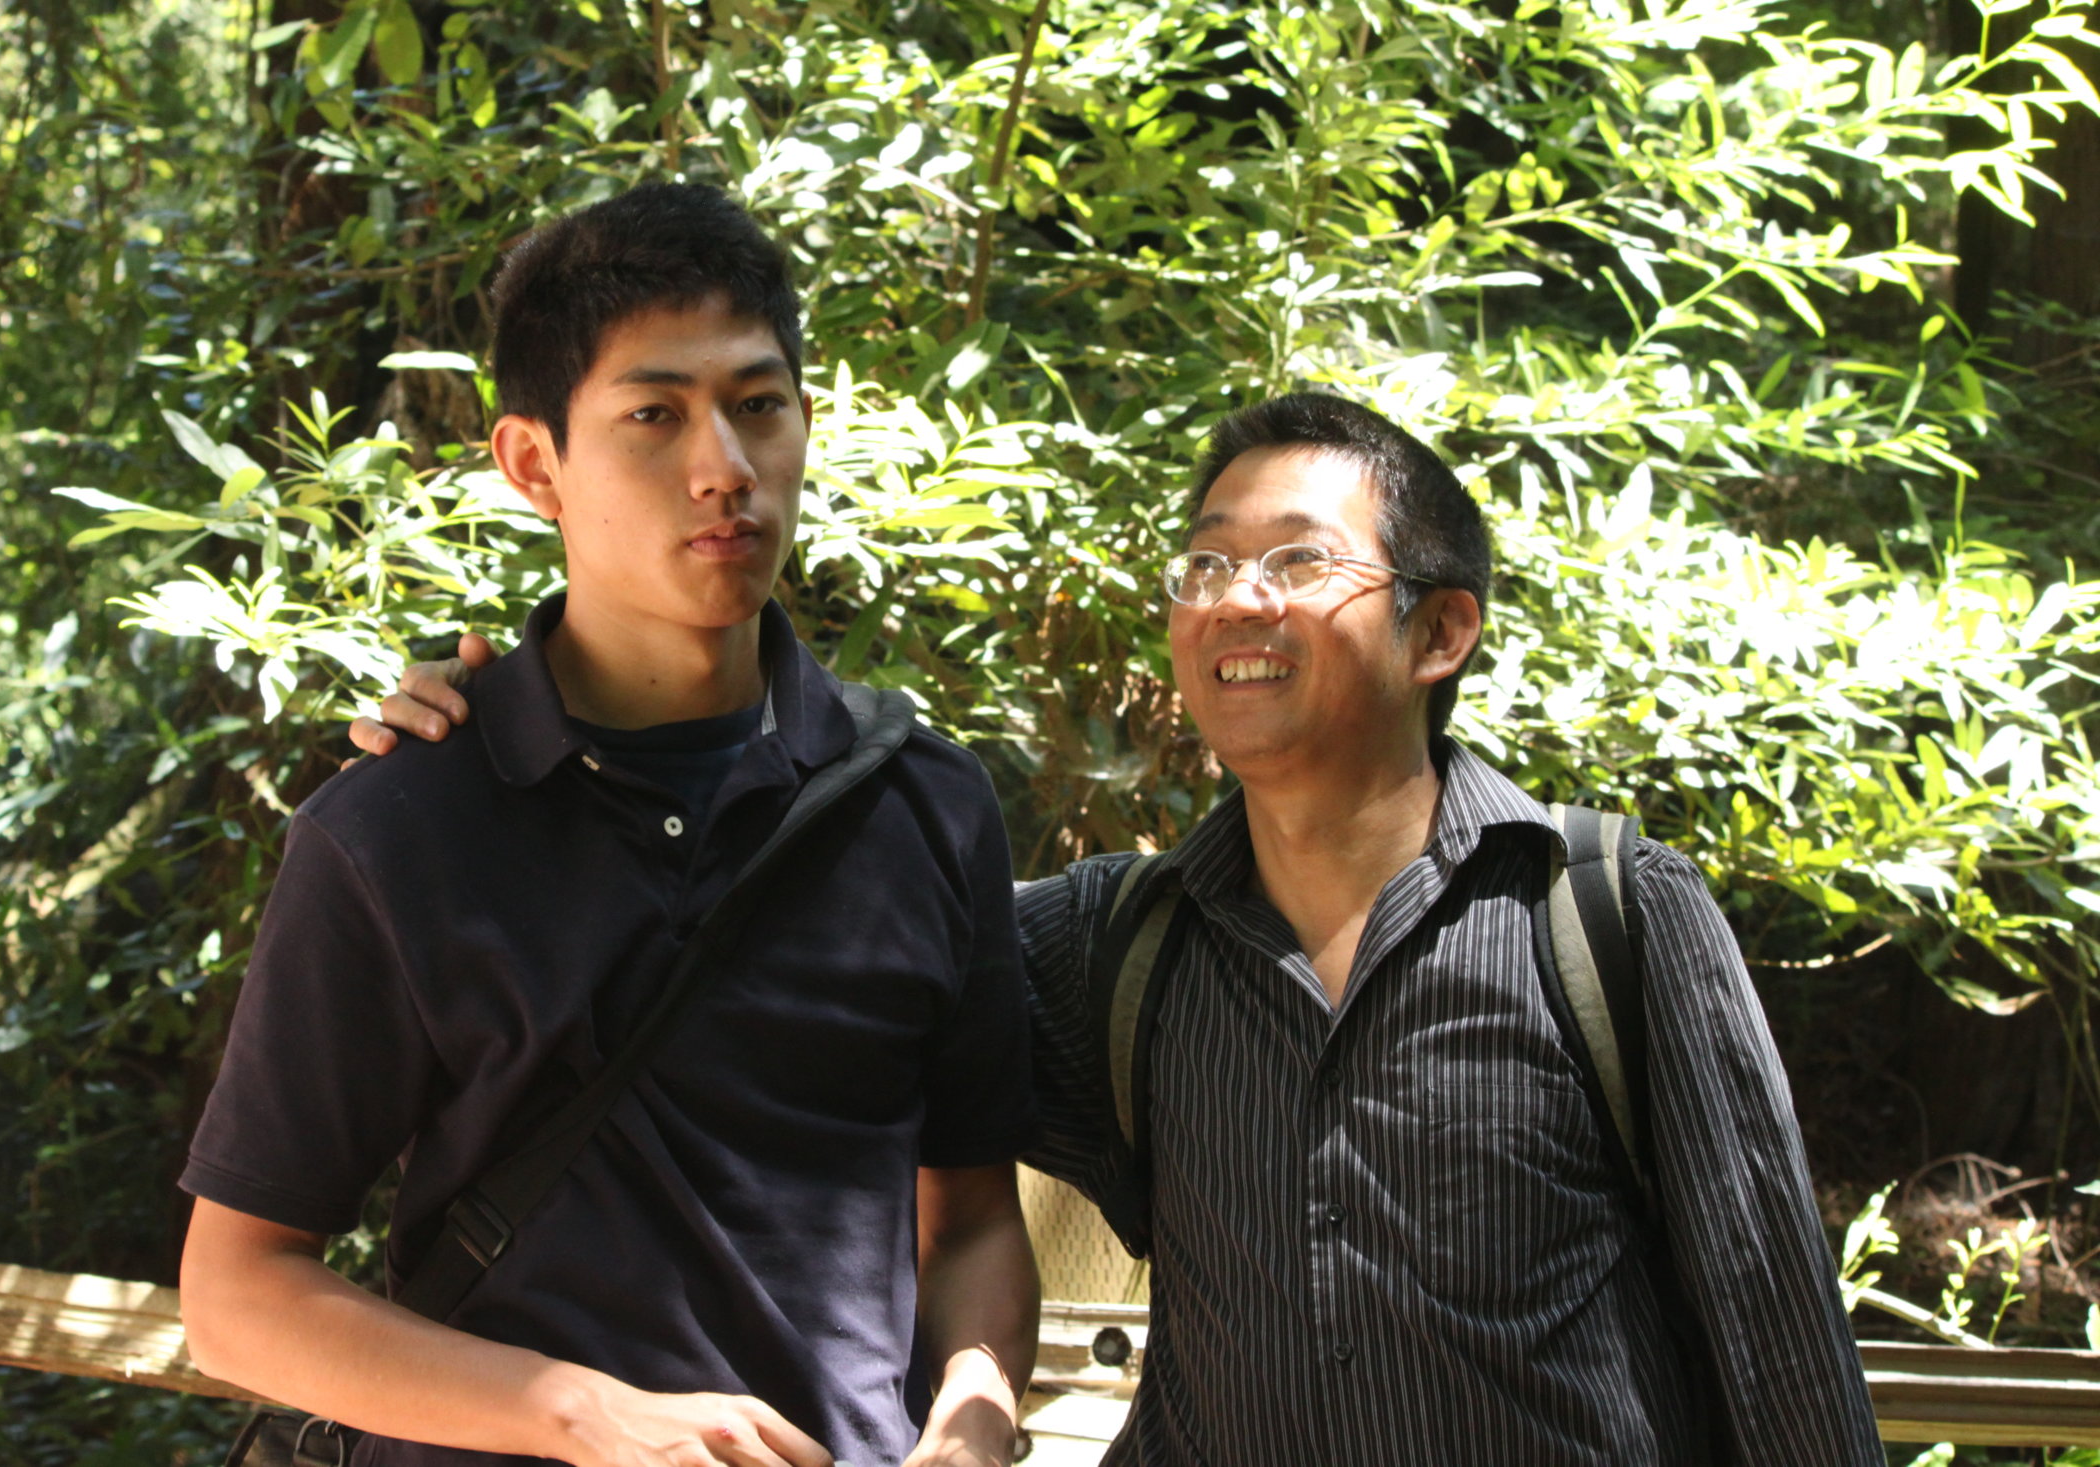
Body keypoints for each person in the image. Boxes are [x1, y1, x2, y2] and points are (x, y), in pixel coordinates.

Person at [360, 390, 1883, 1464]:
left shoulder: (1603, 916)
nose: (1235, 600)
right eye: (1206, 563)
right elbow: (787, 969)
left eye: (1297, 561)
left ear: (1440, 629)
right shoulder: (1117, 946)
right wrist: (518, 743)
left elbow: (1781, 1347)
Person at [180, 181, 1040, 1467]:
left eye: (759, 405)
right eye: (654, 414)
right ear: (535, 464)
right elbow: (236, 1295)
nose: (724, 468)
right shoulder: (403, 823)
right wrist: (582, 1415)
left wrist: (975, 1418)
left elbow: (969, 1216)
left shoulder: (922, 802)